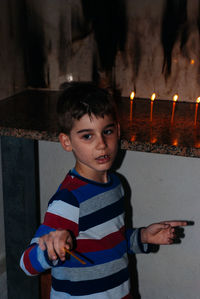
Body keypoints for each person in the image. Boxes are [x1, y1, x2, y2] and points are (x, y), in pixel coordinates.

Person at [20, 82, 187, 298]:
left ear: (117, 131)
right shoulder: (69, 199)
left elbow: (110, 242)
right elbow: (27, 264)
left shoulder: (116, 184)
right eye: (87, 136)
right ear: (66, 141)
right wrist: (50, 248)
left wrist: (143, 236)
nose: (101, 144)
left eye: (106, 131)